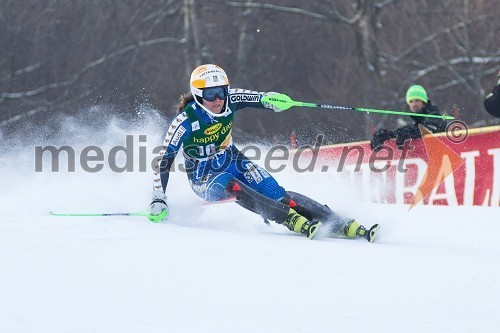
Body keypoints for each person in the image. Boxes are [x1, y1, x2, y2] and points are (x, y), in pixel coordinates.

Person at [149, 64, 379, 241]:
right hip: (203, 175)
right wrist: (159, 197)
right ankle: (288, 219)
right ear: (198, 95)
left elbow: (260, 98)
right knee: (231, 184)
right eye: (210, 95)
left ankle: (337, 222)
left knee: (276, 193)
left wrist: (274, 101)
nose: (218, 99)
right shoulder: (184, 121)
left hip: (232, 159)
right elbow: (164, 160)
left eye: (221, 91)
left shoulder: (231, 99)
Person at [370, 85, 447, 151]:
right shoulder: (418, 122)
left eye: (417, 100)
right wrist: (384, 135)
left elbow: (427, 130)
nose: (414, 104)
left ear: (424, 102)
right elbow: (410, 130)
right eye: (411, 101)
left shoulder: (434, 115)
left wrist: (406, 133)